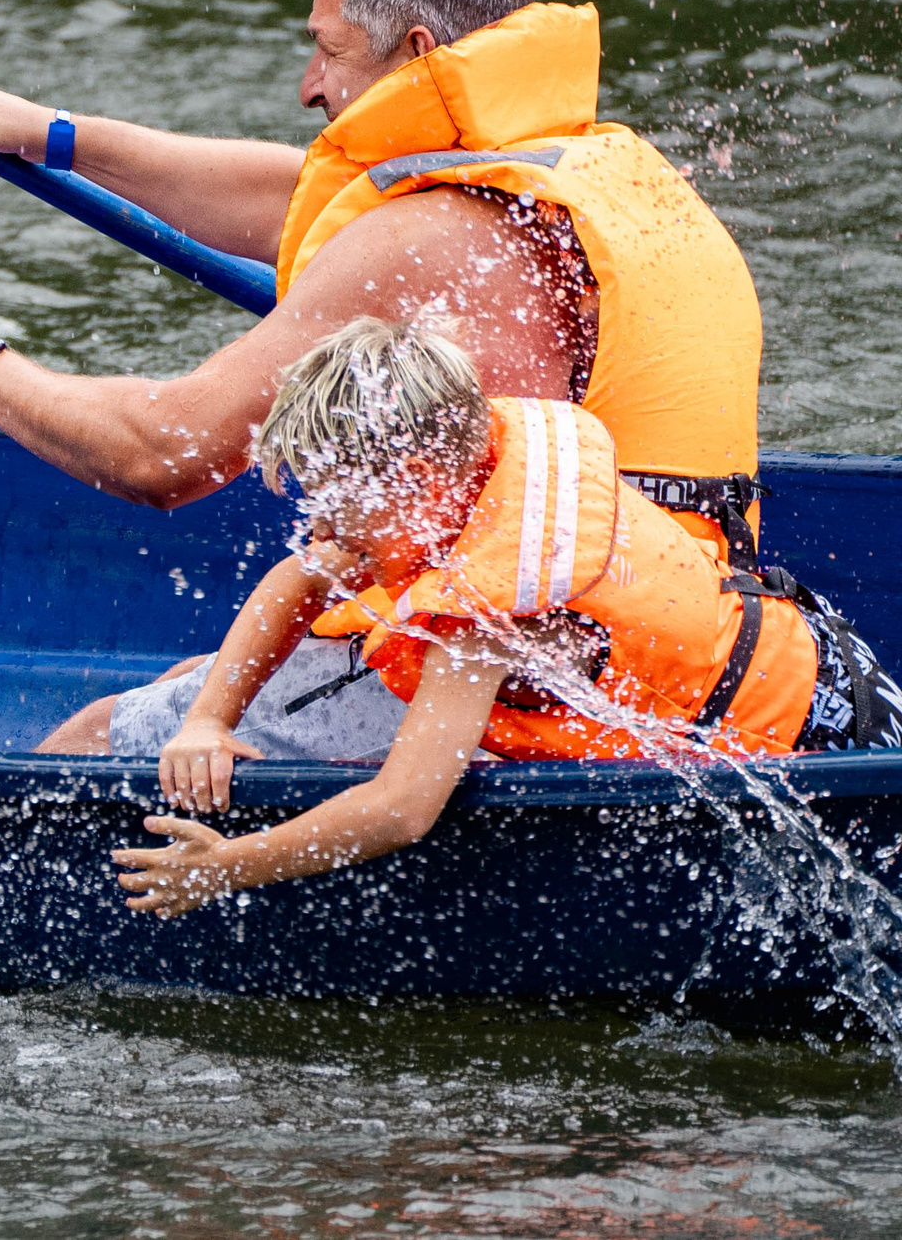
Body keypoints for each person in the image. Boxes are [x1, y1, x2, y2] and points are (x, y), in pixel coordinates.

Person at [0, 0, 771, 762]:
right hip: (680, 606)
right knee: (191, 682)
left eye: (328, 51)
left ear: (413, 49)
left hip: (562, 661)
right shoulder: (584, 166)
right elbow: (304, 199)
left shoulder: (430, 236)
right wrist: (53, 136)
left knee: (96, 739)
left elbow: (162, 453)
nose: (308, 86)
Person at [108, 318, 902, 919]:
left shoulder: (487, 615)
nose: (319, 522)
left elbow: (403, 808)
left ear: (413, 477)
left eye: (332, 497)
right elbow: (305, 573)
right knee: (190, 682)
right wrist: (209, 718)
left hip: (812, 760)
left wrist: (226, 866)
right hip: (836, 664)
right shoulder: (479, 455)